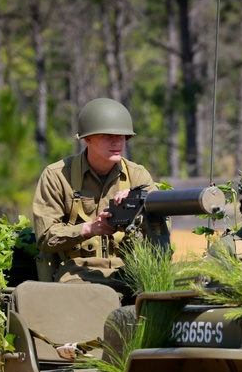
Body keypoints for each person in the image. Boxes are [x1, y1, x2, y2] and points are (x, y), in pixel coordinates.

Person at [31, 97, 162, 293]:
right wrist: (88, 228)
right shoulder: (57, 176)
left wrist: (141, 201)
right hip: (77, 274)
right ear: (88, 139)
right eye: (108, 135)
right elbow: (45, 237)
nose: (117, 141)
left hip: (130, 271)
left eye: (122, 136)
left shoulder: (137, 175)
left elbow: (161, 228)